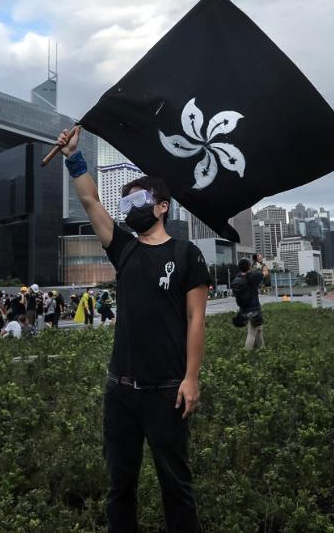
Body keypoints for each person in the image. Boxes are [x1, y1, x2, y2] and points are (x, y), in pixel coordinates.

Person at [58, 127, 207, 532]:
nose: (129, 207)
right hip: (120, 390)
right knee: (119, 487)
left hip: (167, 390)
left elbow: (197, 319)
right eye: (125, 200)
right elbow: (90, 200)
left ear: (162, 206)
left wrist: (191, 379)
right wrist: (74, 157)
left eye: (139, 199)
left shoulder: (185, 254)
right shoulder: (123, 248)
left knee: (176, 486)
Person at [231, 255, 268, 350]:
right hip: (254, 309)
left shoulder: (237, 277)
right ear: (249, 266)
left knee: (258, 329)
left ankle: (263, 349)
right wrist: (261, 262)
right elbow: (266, 273)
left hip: (243, 309)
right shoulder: (253, 276)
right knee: (252, 333)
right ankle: (245, 355)